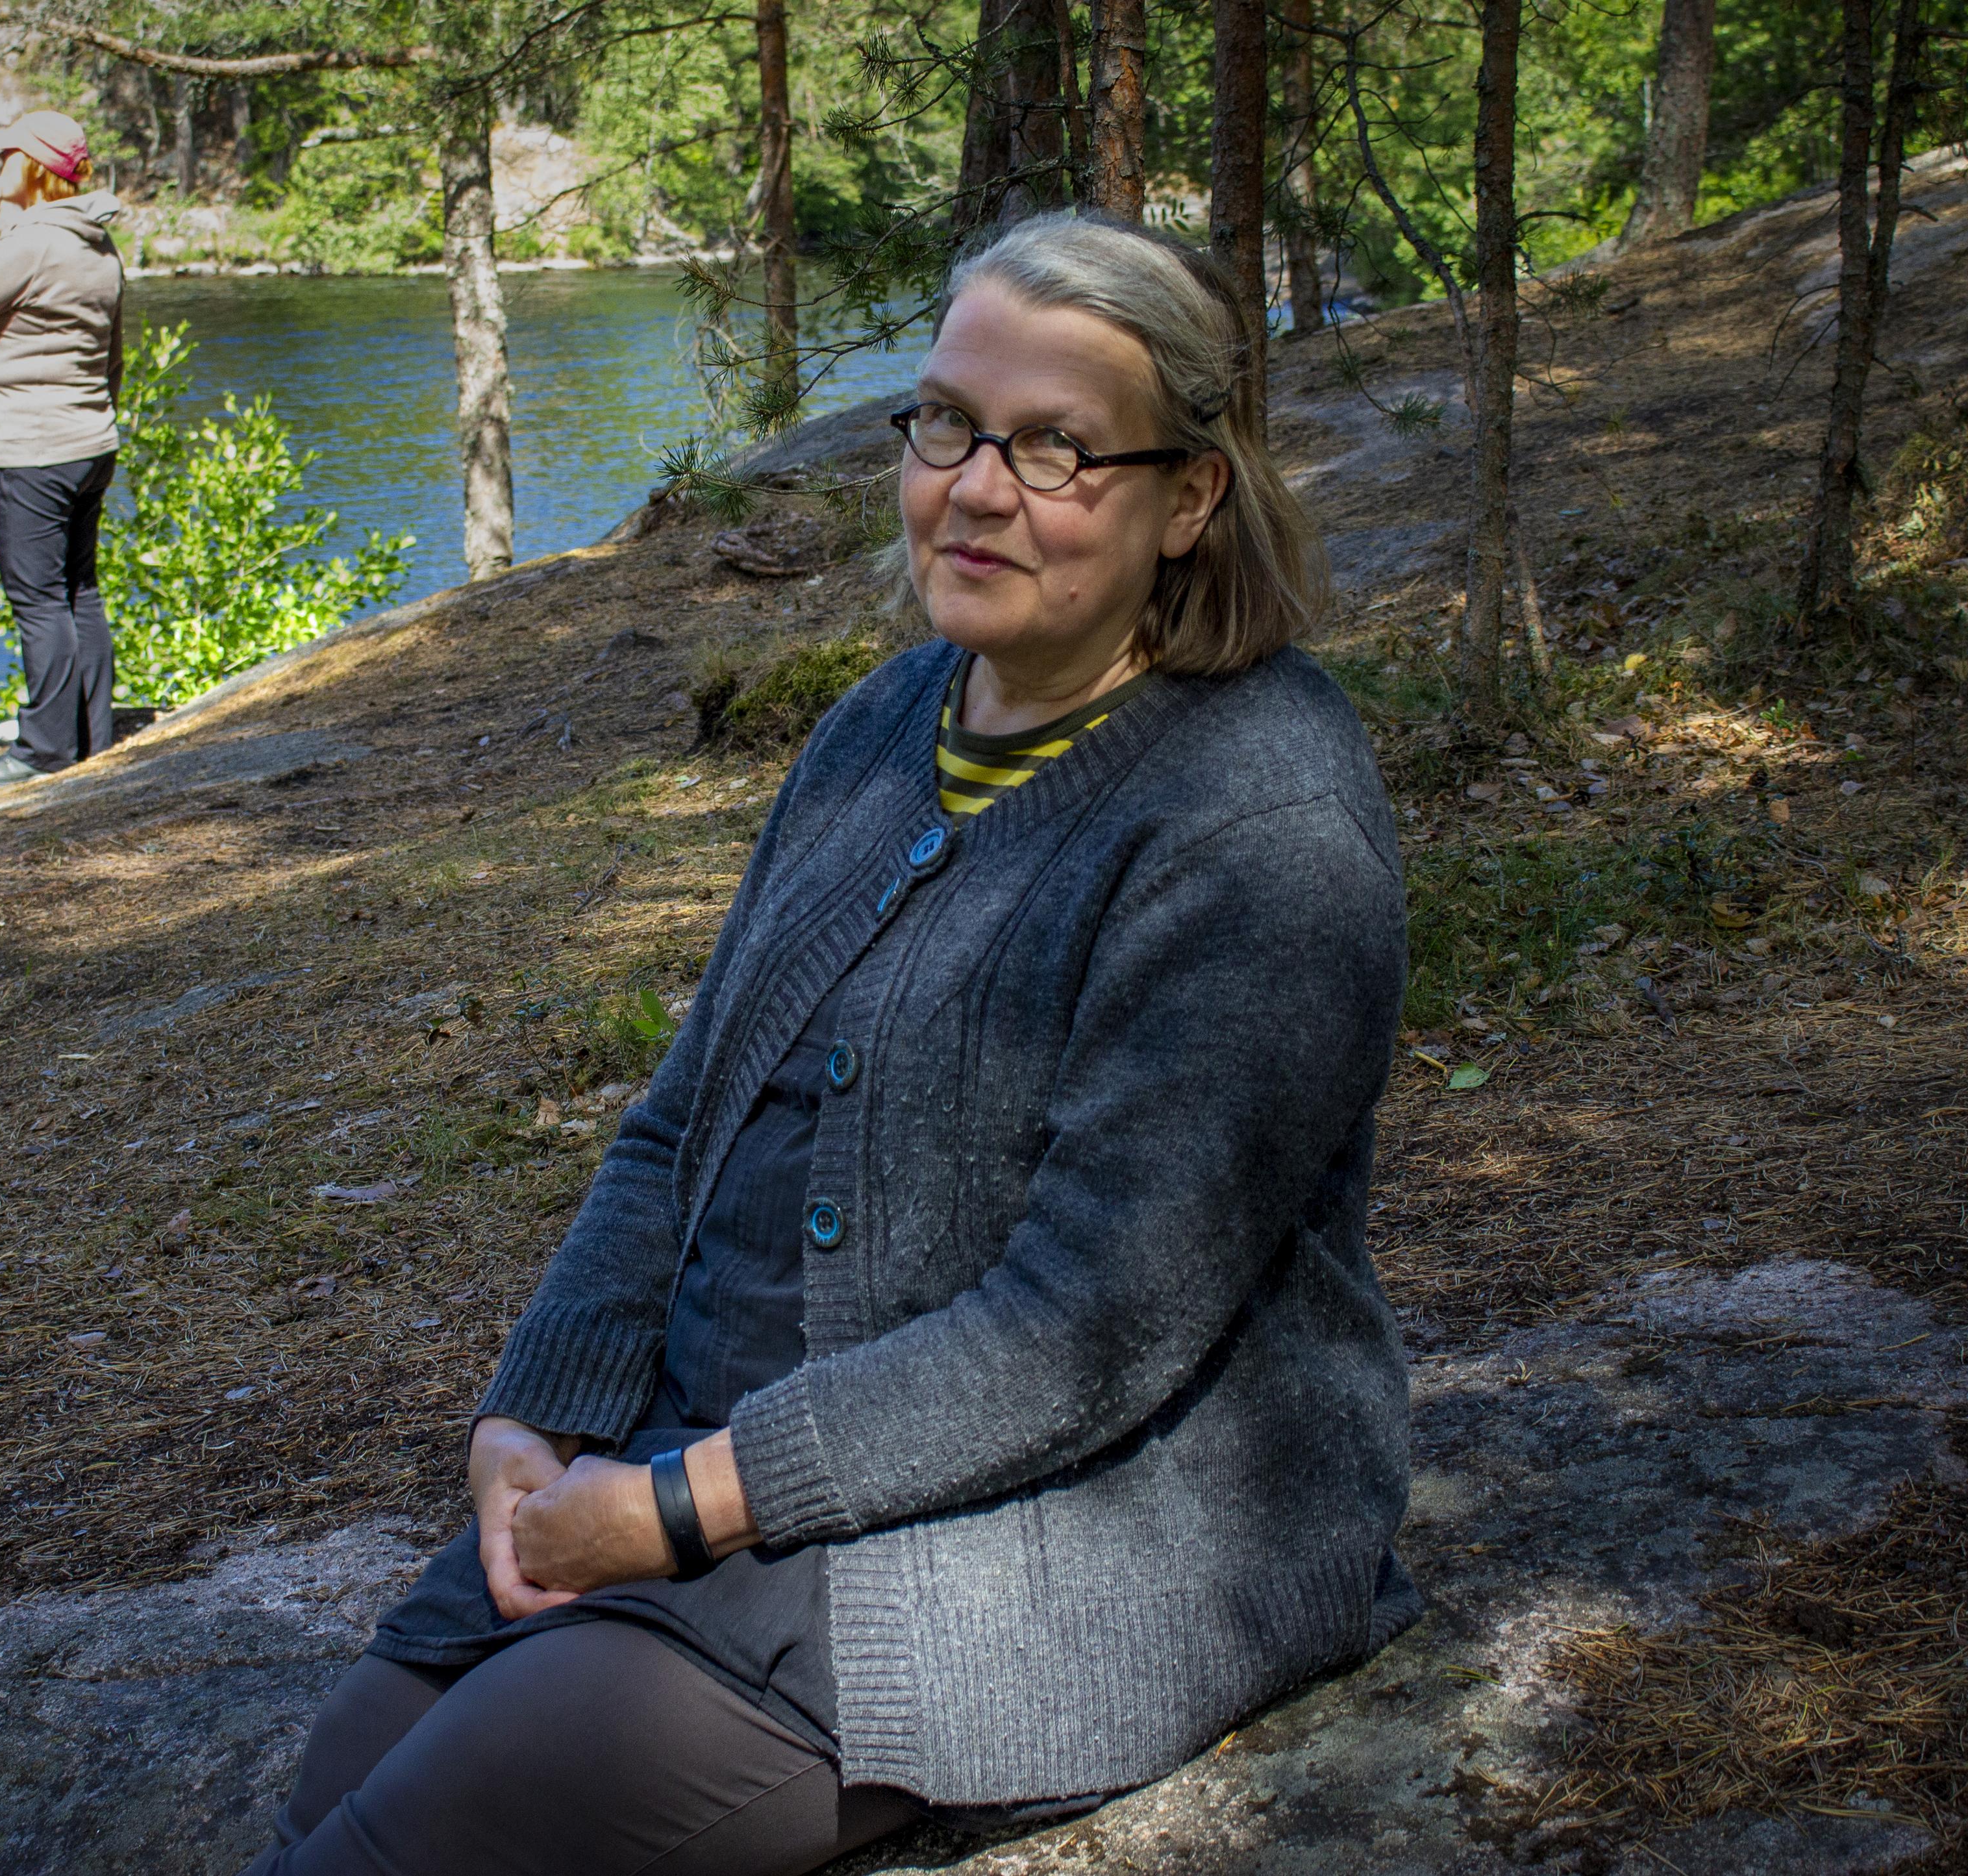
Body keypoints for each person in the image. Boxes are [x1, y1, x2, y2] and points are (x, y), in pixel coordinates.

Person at [241, 211, 1422, 1876]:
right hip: (713, 1456)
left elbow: (1089, 1325)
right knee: (338, 1782)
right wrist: (542, 1409)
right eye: (946, 422)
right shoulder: (885, 723)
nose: (978, 487)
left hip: (1046, 1526)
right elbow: (681, 1116)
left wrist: (674, 1508)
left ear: (1192, 494)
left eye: (1059, 448)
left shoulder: (1259, 816)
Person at [0, 110, 126, 789]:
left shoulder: (33, 241)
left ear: (31, 167)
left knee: (39, 600)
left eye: (3, 158)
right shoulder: (95, 243)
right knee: (79, 591)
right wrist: (95, 417)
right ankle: (90, 739)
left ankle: (45, 751)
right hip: (89, 440)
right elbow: (112, 356)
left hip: (34, 449)